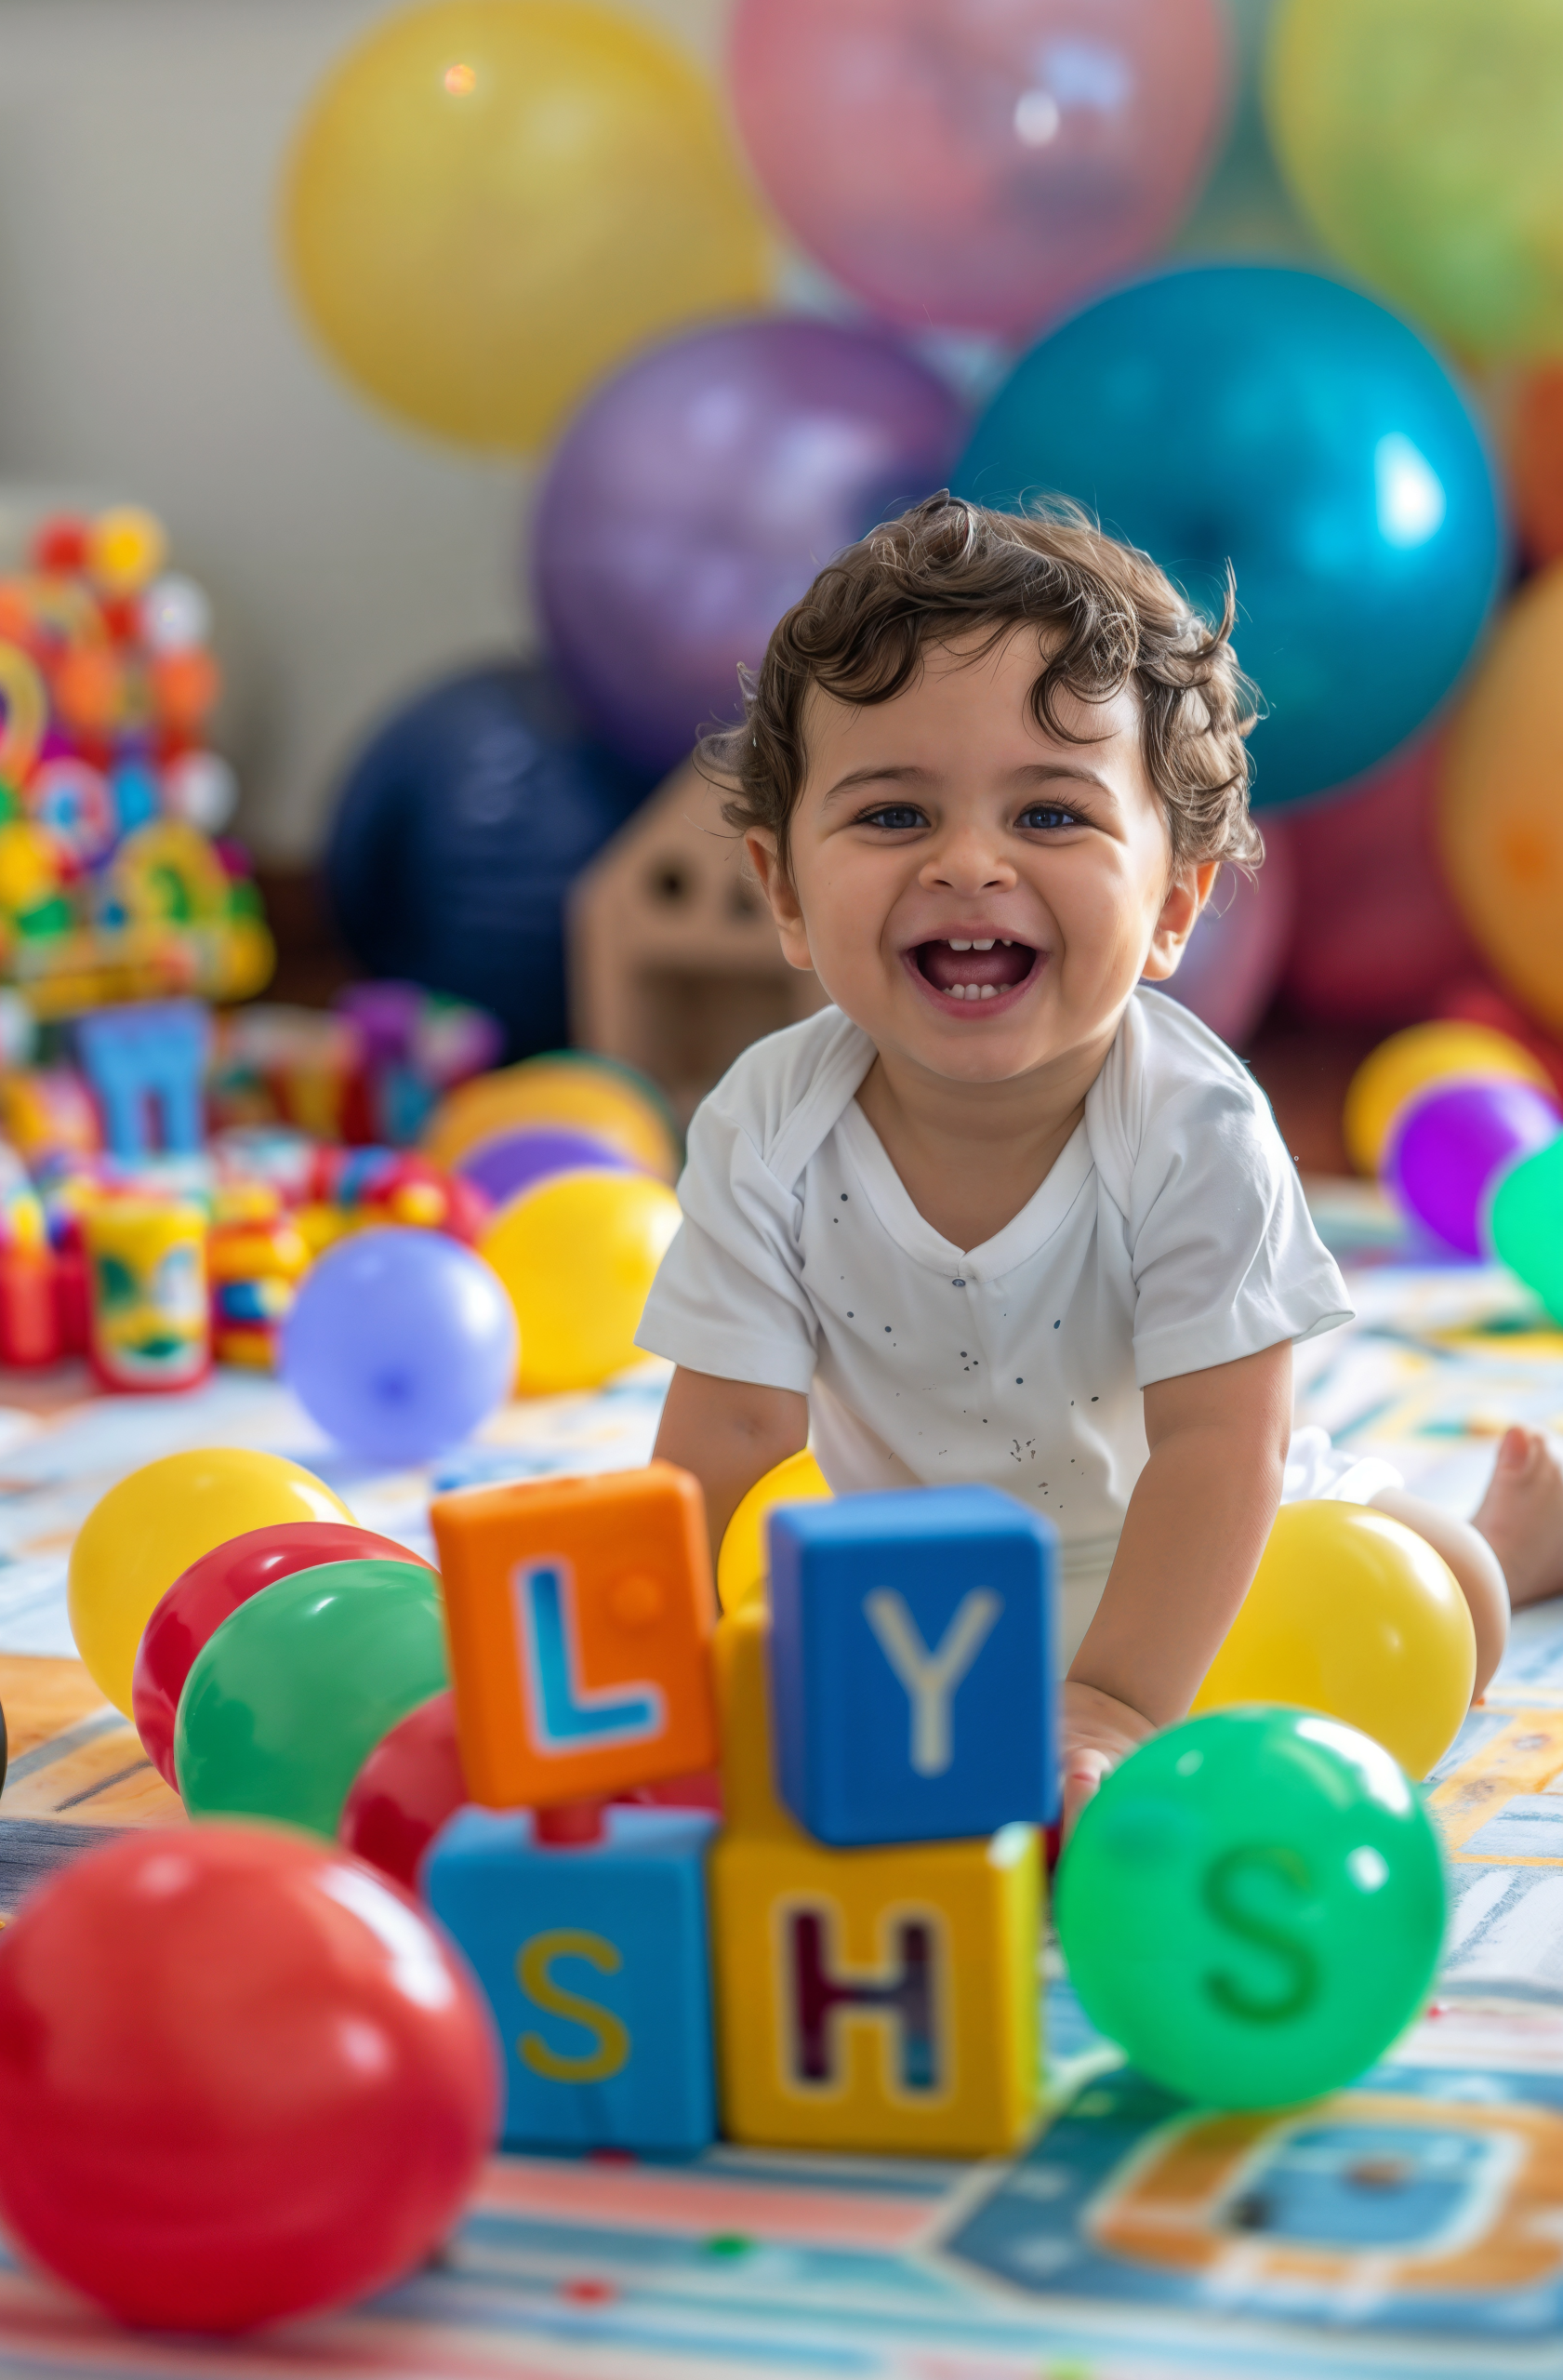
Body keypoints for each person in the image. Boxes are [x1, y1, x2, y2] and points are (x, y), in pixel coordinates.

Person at [642, 494, 1563, 1827]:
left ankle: (1505, 1544)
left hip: (1201, 1550)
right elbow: (724, 1437)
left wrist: (1118, 1706)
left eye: (1053, 818)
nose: (970, 864)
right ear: (782, 888)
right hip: (915, 1606)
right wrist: (657, 1693)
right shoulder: (767, 1124)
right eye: (895, 816)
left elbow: (1219, 1449)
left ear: (1176, 902)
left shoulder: (1194, 1127)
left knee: (1435, 1611)